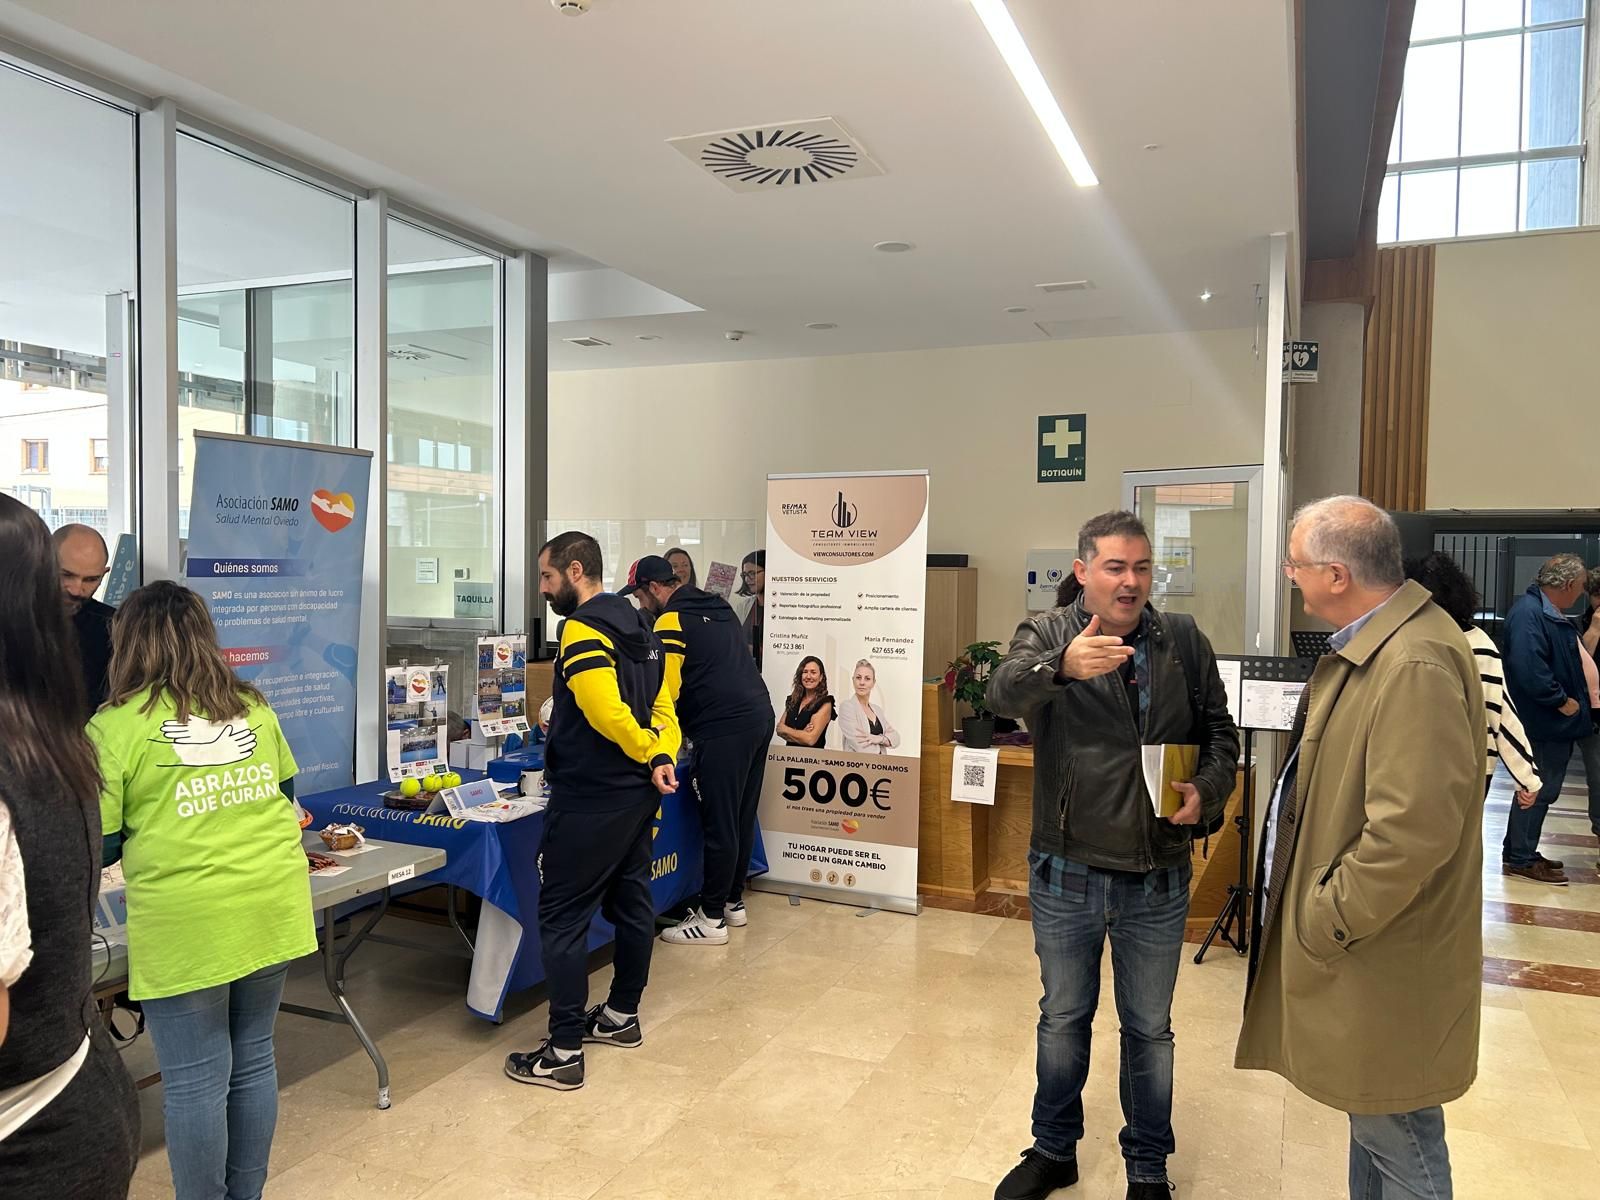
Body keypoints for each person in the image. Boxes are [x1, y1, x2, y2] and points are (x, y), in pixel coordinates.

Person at [987, 510, 1239, 1200]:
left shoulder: (1182, 640)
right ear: (1083, 572)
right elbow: (1001, 691)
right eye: (1115, 568)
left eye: (1141, 568)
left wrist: (1208, 793)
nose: (1130, 583)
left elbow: (1221, 734)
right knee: (1063, 1019)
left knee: (1149, 1030)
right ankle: (1053, 1149)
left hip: (1156, 872)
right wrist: (1058, 669)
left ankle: (1148, 1167)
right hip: (1066, 869)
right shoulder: (1047, 633)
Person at [1237, 496, 1483, 1200]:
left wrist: (1325, 916)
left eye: (1297, 565)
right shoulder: (1378, 645)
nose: (1293, 577)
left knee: (1398, 1131)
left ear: (1337, 574)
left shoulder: (1413, 662)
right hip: (1371, 944)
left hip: (1380, 947)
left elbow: (1411, 832)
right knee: (1372, 1116)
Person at [91, 579, 313, 1200]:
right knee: (254, 1058)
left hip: (188, 917)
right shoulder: (252, 705)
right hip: (270, 899)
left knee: (193, 1079)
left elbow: (103, 843)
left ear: (128, 642)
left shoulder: (113, 727)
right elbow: (285, 798)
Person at [0, 496, 139, 1199]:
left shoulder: (51, 756)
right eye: (65, 579)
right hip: (72, 1096)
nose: (78, 594)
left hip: (38, 1129)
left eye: (91, 581)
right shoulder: (59, 752)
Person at [505, 532, 679, 1090]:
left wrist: (651, 749)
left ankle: (562, 1052)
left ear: (576, 571)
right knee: (632, 902)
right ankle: (622, 1016)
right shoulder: (642, 627)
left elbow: (603, 710)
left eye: (547, 577)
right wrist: (659, 752)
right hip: (636, 794)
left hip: (591, 797)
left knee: (560, 916)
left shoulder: (581, 629)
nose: (543, 589)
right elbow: (663, 707)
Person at [622, 555, 775, 946]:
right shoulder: (716, 604)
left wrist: (649, 737)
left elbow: (666, 692)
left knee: (719, 822)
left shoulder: (671, 619)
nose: (640, 604)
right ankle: (732, 902)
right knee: (741, 815)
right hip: (759, 716)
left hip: (722, 728)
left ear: (654, 588)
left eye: (640, 595)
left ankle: (710, 920)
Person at [1405, 553, 1543, 802]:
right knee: (1461, 838)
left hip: (1410, 762)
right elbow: (1500, 711)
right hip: (1471, 762)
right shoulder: (1478, 642)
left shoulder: (1403, 641)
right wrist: (1527, 776)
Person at [1501, 553, 1593, 885]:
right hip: (1543, 720)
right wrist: (1561, 701)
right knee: (1538, 788)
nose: (1582, 593)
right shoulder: (1530, 614)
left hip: (1545, 720)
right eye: (1581, 587)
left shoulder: (1538, 609)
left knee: (1536, 788)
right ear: (1567, 584)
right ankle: (1522, 858)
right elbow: (1530, 670)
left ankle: (1518, 851)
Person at [53, 524, 114, 714]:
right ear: (43, 561)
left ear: (104, 574)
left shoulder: (115, 628)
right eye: (66, 575)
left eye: (90, 580)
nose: (76, 590)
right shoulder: (10, 617)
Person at [838, 658, 900, 755]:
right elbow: (861, 746)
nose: (862, 682)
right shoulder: (847, 707)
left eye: (867, 678)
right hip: (856, 767)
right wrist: (884, 743)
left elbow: (896, 739)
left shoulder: (877, 710)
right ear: (853, 680)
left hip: (880, 768)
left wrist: (879, 739)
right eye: (858, 677)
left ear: (873, 683)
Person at [775, 656, 834, 748]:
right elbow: (779, 730)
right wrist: (802, 734)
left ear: (821, 677)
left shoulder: (825, 703)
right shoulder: (793, 700)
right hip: (789, 758)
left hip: (811, 759)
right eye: (805, 672)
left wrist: (787, 730)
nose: (808, 676)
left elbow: (810, 740)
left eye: (813, 672)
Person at [737, 550, 766, 668]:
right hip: (748, 672)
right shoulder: (743, 607)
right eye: (745, 575)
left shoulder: (783, 608)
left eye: (752, 573)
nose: (748, 579)